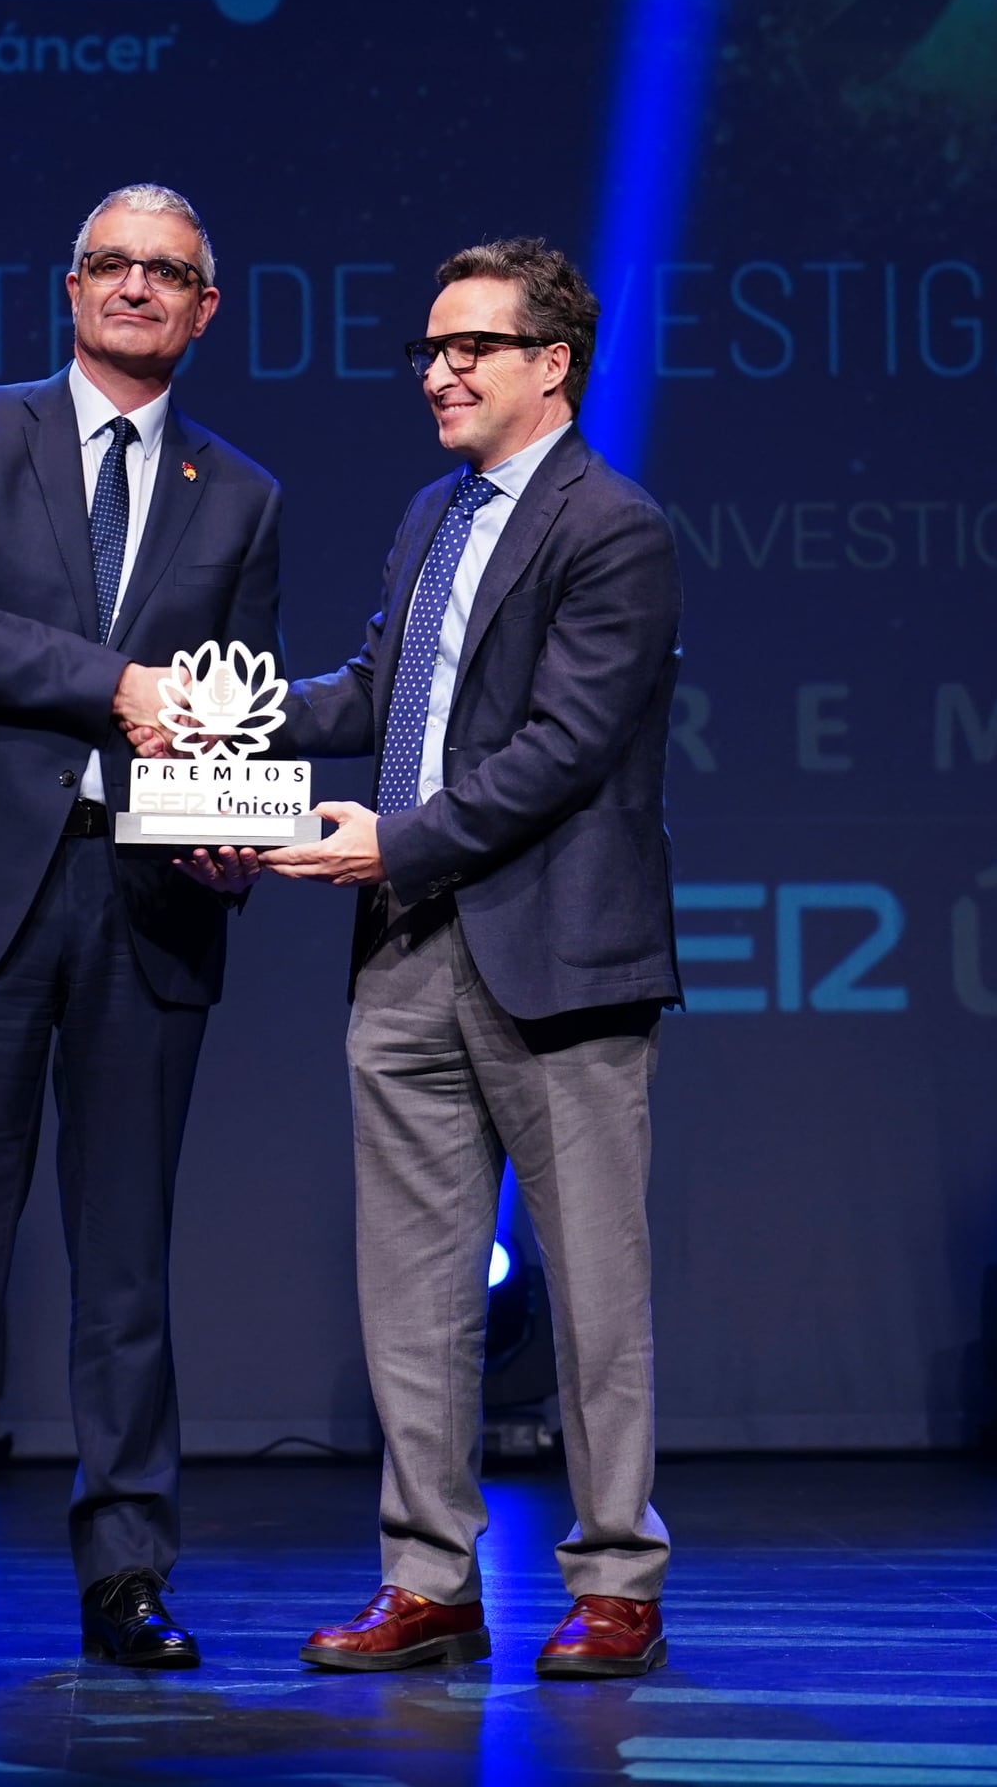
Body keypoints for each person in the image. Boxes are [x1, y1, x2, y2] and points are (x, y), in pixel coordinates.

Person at [0, 184, 280, 1674]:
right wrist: (114, 684)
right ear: (71, 288)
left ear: (204, 310)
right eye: (112, 264)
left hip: (149, 900)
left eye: (168, 272)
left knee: (129, 1262)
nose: (137, 286)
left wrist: (233, 820)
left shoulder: (243, 493)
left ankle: (129, 1575)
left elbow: (241, 697)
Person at [263, 237, 683, 1679]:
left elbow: (563, 750)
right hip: (407, 952)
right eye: (429, 351)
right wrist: (229, 718)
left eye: (471, 349)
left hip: (556, 956)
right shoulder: (433, 517)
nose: (438, 373)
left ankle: (617, 1581)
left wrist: (395, 844)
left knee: (596, 1293)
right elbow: (382, 698)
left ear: (551, 364)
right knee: (412, 1292)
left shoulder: (611, 526)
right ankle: (428, 1582)